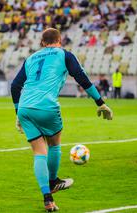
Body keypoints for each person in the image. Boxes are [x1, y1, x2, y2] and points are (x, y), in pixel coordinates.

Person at [10, 28, 113, 212]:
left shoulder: (31, 58)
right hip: (47, 106)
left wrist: (18, 112)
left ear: (42, 43)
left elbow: (15, 85)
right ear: (60, 41)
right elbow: (81, 76)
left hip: (25, 107)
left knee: (38, 152)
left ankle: (48, 200)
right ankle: (53, 181)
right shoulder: (64, 54)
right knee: (54, 144)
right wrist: (100, 102)